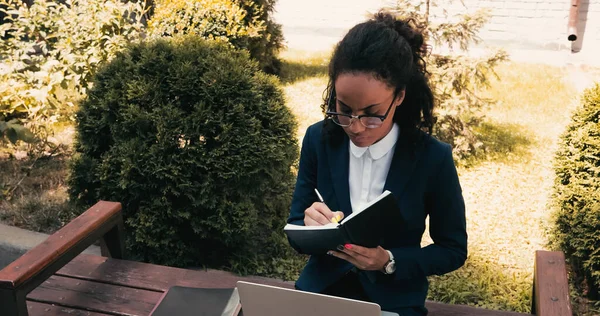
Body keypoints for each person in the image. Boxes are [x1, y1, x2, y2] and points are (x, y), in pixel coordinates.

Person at [286, 11, 468, 316]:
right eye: (343, 109)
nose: (355, 127)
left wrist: (389, 260)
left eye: (372, 114)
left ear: (398, 97)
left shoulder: (432, 158)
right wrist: (308, 224)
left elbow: (453, 249)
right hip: (320, 295)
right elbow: (295, 230)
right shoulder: (319, 139)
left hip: (393, 302)